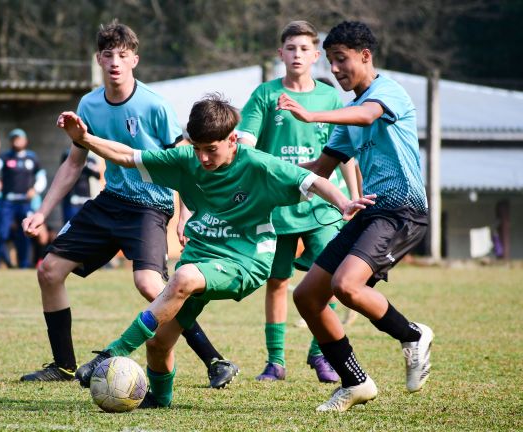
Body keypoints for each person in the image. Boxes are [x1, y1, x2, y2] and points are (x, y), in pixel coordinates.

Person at [59, 94, 375, 408]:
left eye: (211, 149)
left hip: (246, 261)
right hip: (201, 256)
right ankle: (159, 400)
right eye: (196, 149)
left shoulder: (257, 165)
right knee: (158, 344)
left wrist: (345, 203)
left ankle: (112, 352)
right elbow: (128, 156)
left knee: (181, 276)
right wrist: (85, 139)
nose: (203, 158)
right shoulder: (187, 161)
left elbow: (313, 180)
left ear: (232, 139)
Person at [20, 22, 238, 389]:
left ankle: (215, 360)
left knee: (151, 285)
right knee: (49, 271)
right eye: (108, 55)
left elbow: (184, 162)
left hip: (150, 206)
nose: (115, 62)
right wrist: (42, 212)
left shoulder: (153, 105)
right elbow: (74, 163)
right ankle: (64, 365)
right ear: (98, 60)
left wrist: (185, 214)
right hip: (110, 201)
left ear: (135, 59)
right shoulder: (88, 105)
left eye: (123, 55)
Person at [278, 21, 434, 412]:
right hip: (368, 212)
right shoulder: (349, 111)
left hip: (403, 210)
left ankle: (412, 334)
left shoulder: (387, 92)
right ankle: (355, 382)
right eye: (330, 62)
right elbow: (321, 169)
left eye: (341, 60)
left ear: (366, 56)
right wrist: (267, 177)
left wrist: (312, 117)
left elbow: (368, 116)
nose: (335, 69)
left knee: (347, 286)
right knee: (308, 297)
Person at [237, 20, 360, 383]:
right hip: (278, 207)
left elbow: (346, 154)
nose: (297, 54)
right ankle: (275, 362)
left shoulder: (330, 98)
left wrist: (351, 200)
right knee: (276, 282)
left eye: (305, 49)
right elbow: (245, 145)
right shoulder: (264, 95)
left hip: (324, 205)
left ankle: (320, 354)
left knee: (334, 278)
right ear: (281, 54)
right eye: (291, 48)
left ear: (316, 56)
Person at [0, 128, 47, 268]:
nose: (16, 141)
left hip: (25, 202)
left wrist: (35, 189)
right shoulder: (5, 156)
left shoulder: (32, 157)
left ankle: (23, 264)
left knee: (25, 234)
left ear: (25, 141)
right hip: (7, 201)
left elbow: (41, 176)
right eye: (14, 138)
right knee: (2, 232)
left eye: (19, 138)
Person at [60, 149, 101, 224]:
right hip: (71, 197)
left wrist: (86, 165)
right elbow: (64, 174)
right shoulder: (68, 155)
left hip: (85, 197)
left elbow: (98, 175)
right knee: (70, 225)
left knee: (86, 225)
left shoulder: (90, 159)